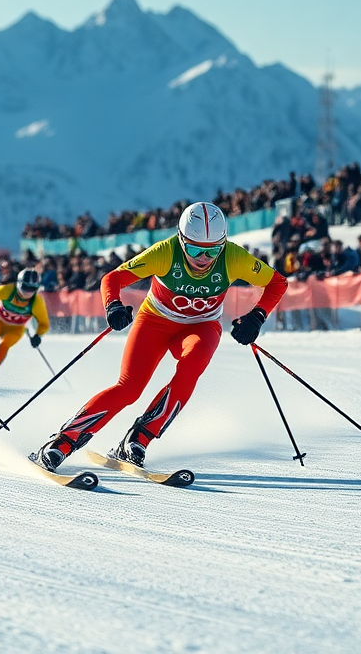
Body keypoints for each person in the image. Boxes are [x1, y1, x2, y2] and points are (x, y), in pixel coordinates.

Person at [32, 202, 288, 471]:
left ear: (222, 244)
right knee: (129, 388)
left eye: (212, 251)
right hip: (155, 323)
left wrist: (256, 317)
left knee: (191, 367)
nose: (203, 259)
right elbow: (112, 279)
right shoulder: (166, 252)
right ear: (181, 240)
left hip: (201, 326)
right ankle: (62, 442)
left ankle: (139, 438)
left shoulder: (234, 257)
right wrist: (113, 305)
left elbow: (277, 283)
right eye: (194, 249)